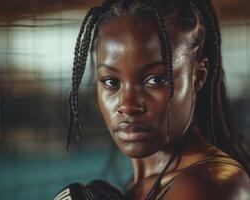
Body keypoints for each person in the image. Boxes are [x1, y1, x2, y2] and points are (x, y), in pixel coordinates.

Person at [60, 0, 250, 199]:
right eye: (111, 81)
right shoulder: (140, 184)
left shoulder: (210, 185)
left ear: (198, 76)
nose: (127, 106)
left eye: (156, 80)